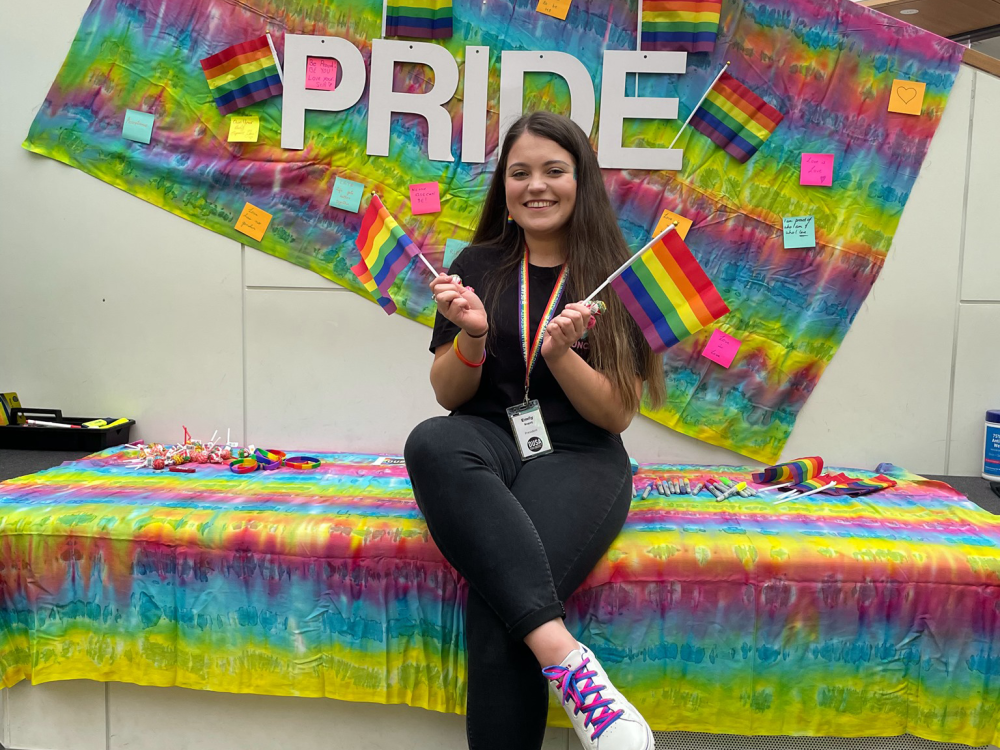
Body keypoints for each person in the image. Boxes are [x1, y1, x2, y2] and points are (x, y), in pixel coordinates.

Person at [404, 110, 666, 750]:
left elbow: (616, 414)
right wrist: (472, 333)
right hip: (488, 435)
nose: (536, 185)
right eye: (520, 172)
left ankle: (573, 682)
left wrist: (560, 355)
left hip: (578, 451)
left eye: (554, 170)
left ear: (581, 180)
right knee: (430, 439)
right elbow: (446, 394)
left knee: (504, 600)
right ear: (505, 187)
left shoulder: (614, 272)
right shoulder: (478, 262)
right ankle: (571, 665)